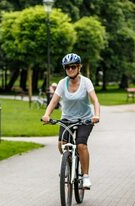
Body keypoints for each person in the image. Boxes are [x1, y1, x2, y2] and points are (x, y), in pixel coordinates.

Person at [41, 53, 100, 189]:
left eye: (73, 66)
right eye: (67, 67)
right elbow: (53, 101)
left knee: (81, 145)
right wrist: (46, 115)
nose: (70, 69)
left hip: (85, 120)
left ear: (79, 67)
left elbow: (95, 100)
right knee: (62, 144)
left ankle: (85, 176)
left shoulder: (86, 82)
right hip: (67, 119)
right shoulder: (62, 83)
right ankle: (67, 164)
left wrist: (96, 115)